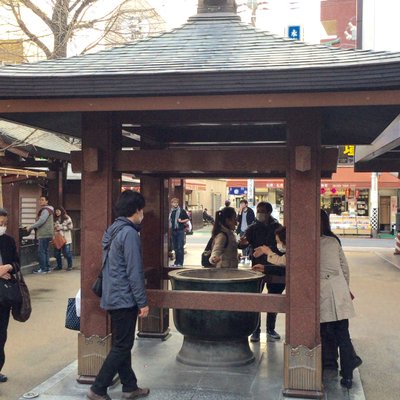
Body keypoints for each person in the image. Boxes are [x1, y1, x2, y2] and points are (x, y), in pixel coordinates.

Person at [87, 190, 150, 400]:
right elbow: (134, 271)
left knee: (122, 343)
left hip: (112, 296)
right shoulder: (129, 233)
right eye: (142, 210)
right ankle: (98, 388)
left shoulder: (113, 229)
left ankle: (129, 386)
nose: (143, 214)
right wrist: (142, 302)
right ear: (137, 209)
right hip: (124, 297)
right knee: (123, 345)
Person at [320, 221, 362, 389]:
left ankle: (325, 365)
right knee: (343, 333)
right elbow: (345, 267)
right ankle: (347, 375)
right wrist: (343, 288)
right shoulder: (333, 241)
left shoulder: (310, 242)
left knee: (322, 331)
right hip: (338, 289)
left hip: (322, 291)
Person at [240, 201, 284, 342]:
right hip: (257, 268)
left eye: (262, 211)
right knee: (256, 300)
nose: (259, 213)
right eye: (258, 210)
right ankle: (255, 331)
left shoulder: (277, 227)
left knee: (274, 299)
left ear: (269, 212)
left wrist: (269, 249)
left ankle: (270, 329)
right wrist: (242, 243)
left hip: (276, 268)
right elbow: (244, 244)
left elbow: (283, 247)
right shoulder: (253, 227)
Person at [0, 208, 20, 383]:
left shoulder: (9, 240)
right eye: (0, 223)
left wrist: (9, 267)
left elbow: (17, 263)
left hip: (3, 295)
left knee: (1, 334)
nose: (2, 226)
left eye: (4, 223)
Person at [27, 195, 54, 274]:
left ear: (47, 201)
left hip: (44, 233)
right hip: (48, 233)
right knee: (45, 251)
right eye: (40, 200)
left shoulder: (46, 210)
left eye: (42, 200)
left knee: (41, 251)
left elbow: (41, 221)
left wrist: (31, 227)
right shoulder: (49, 209)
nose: (40, 201)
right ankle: (47, 268)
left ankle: (43, 269)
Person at [169, 198, 189, 267]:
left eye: (176, 203)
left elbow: (187, 218)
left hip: (180, 230)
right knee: (175, 247)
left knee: (180, 247)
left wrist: (181, 221)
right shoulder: (171, 211)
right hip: (173, 230)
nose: (175, 204)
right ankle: (176, 262)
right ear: (171, 203)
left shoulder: (181, 211)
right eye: (174, 203)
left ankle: (180, 263)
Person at [54, 206, 73, 271]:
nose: (57, 212)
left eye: (58, 211)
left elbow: (70, 227)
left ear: (62, 211)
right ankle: (59, 266)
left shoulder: (67, 218)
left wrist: (61, 228)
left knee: (67, 253)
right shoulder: (55, 219)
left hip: (66, 238)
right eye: (56, 211)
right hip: (58, 238)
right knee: (57, 253)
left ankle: (70, 266)